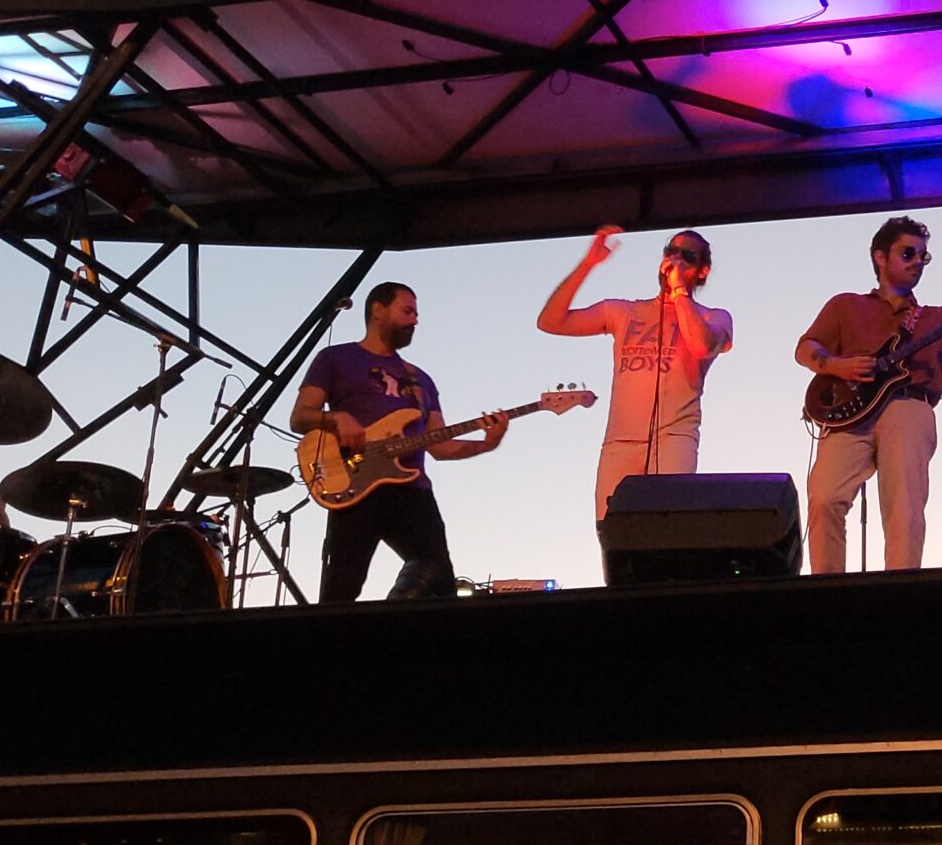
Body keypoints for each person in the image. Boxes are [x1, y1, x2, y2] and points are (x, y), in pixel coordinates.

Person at [795, 215, 942, 573]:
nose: (917, 263)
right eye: (908, 253)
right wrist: (838, 366)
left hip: (909, 405)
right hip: (849, 415)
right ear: (880, 257)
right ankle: (826, 588)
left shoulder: (935, 317)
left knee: (905, 509)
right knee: (824, 497)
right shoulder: (845, 305)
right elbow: (806, 349)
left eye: (923, 256)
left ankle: (900, 589)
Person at [290, 282, 509, 602]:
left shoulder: (421, 380)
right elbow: (300, 417)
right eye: (407, 311)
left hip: (411, 490)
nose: (415, 320)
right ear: (377, 310)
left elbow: (440, 445)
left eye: (416, 314)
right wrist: (337, 418)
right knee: (340, 592)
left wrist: (487, 444)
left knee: (439, 582)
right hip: (353, 483)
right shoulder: (335, 358)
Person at [536, 226, 734, 519]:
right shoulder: (624, 312)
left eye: (687, 256)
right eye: (670, 251)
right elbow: (550, 322)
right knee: (613, 529)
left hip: (674, 438)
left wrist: (679, 291)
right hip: (620, 442)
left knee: (667, 525)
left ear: (702, 271)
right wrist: (588, 263)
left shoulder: (713, 316)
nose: (676, 259)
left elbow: (702, 345)